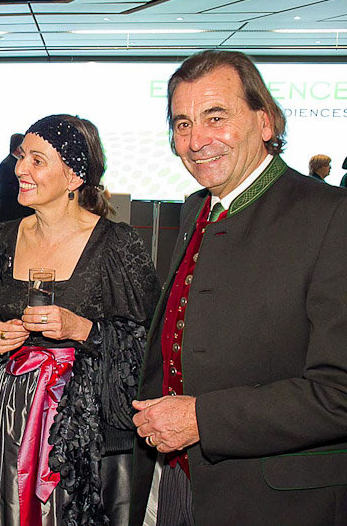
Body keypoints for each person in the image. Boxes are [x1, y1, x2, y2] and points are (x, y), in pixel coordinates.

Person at [130, 50, 347, 526]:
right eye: (182, 123)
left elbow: (339, 391)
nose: (196, 140)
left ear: (265, 122)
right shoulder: (196, 208)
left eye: (216, 117)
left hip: (275, 501)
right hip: (180, 479)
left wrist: (202, 420)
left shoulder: (333, 216)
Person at [0, 114, 161, 525]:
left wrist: (82, 329)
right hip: (11, 412)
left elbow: (149, 341)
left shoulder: (115, 245)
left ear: (73, 177)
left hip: (87, 419)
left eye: (37, 160)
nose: (19, 169)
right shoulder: (1, 241)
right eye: (21, 157)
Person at [0, 133, 35, 222]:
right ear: (18, 148)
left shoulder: (18, 163)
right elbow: (6, 191)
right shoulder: (6, 165)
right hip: (11, 215)